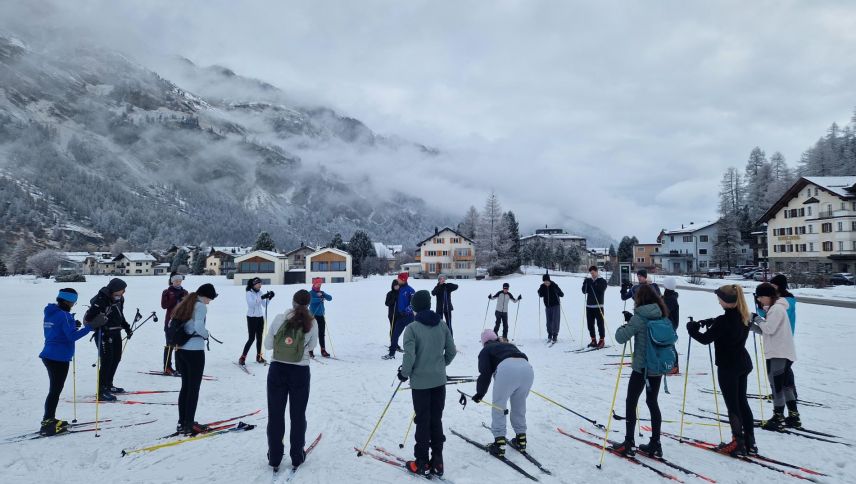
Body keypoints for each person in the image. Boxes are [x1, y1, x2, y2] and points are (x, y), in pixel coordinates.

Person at [687, 284, 756, 457]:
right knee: (742, 402)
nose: (718, 302)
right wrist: (711, 321)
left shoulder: (723, 321)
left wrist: (692, 330)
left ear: (726, 300)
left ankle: (737, 441)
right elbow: (726, 326)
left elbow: (705, 339)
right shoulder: (744, 316)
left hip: (728, 366)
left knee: (733, 404)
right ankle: (750, 441)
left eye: (719, 299)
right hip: (742, 363)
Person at [397, 290, 456, 477]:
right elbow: (452, 351)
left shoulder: (412, 328)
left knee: (423, 421)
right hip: (438, 381)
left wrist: (404, 374)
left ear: (415, 307)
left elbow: (409, 356)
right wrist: (440, 366)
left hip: (421, 383)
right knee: (435, 419)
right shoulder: (442, 325)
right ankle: (437, 461)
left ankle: (421, 462)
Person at [610, 285, 670, 457]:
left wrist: (626, 325)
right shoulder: (661, 313)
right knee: (652, 402)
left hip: (642, 367)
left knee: (631, 402)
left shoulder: (639, 317)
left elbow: (620, 337)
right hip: (657, 366)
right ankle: (655, 443)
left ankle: (629, 442)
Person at [265, 289, 318, 471]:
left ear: (293, 302)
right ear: (308, 304)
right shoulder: (312, 322)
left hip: (277, 369)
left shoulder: (279, 318)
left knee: (275, 414)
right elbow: (312, 346)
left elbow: (268, 345)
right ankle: (297, 456)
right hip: (300, 371)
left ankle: (274, 456)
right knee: (298, 414)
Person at [38, 289, 99, 436]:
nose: (73, 304)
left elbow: (58, 330)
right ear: (68, 301)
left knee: (54, 390)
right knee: (55, 391)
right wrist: (90, 327)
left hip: (50, 354)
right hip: (58, 357)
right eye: (73, 302)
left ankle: (50, 419)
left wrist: (72, 325)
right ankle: (47, 423)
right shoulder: (65, 315)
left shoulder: (52, 312)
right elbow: (71, 337)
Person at [473, 329, 533, 459]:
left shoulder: (486, 350)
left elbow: (485, 374)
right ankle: (521, 439)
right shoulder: (508, 345)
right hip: (527, 369)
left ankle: (499, 444)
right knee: (519, 406)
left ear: (484, 342)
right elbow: (522, 358)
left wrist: (479, 394)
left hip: (507, 370)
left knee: (499, 406)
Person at [752, 283, 799, 431]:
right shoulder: (775, 308)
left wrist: (756, 318)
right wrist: (751, 326)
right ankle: (793, 416)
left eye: (761, 296)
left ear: (769, 296)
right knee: (785, 385)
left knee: (776, 385)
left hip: (778, 353)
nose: (759, 300)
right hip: (782, 352)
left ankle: (778, 417)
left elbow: (769, 329)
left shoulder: (776, 309)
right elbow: (767, 331)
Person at [173, 283, 217, 435]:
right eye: (210, 299)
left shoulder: (186, 302)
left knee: (185, 387)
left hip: (181, 349)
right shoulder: (200, 306)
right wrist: (206, 334)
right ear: (205, 296)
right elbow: (198, 327)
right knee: (193, 388)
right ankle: (189, 423)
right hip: (194, 351)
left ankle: (182, 422)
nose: (209, 302)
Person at [84, 278, 131, 401]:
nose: (124, 292)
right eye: (122, 289)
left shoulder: (120, 299)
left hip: (116, 331)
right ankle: (101, 390)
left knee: (116, 358)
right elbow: (89, 317)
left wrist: (126, 327)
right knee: (106, 360)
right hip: (104, 333)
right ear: (115, 289)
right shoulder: (102, 298)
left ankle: (108, 385)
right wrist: (101, 320)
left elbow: (120, 314)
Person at [240, 277, 274, 365]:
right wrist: (262, 297)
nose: (260, 285)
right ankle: (242, 358)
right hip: (251, 317)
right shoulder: (249, 293)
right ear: (254, 284)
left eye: (260, 283)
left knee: (260, 338)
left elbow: (264, 305)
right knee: (251, 338)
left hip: (260, 317)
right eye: (258, 284)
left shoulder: (260, 292)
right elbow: (251, 304)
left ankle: (259, 357)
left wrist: (269, 298)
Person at [161, 272, 188, 375]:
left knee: (179, 345)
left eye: (180, 281)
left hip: (182, 321)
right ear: (172, 281)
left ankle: (179, 367)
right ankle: (167, 367)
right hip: (170, 321)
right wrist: (174, 298)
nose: (178, 283)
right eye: (176, 281)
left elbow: (188, 306)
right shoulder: (167, 292)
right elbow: (164, 305)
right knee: (170, 344)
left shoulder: (185, 292)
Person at [384, 272, 415, 360]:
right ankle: (391, 354)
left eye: (399, 279)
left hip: (409, 317)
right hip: (400, 317)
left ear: (403, 280)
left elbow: (413, 304)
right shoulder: (398, 289)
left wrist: (406, 311)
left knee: (414, 335)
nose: (397, 280)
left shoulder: (410, 290)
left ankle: (419, 352)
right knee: (395, 335)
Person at [581, 266, 608, 348]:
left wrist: (592, 284)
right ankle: (593, 340)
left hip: (598, 305)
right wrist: (585, 284)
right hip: (589, 306)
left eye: (593, 273)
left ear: (597, 272)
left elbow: (601, 290)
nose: (592, 275)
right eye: (591, 273)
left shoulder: (602, 281)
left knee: (600, 324)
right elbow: (584, 291)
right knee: (590, 324)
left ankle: (602, 340)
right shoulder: (589, 280)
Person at [309, 278, 333, 358]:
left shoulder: (321, 292)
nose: (319, 285)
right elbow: (310, 300)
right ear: (314, 284)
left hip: (321, 316)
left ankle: (323, 350)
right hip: (313, 316)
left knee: (321, 334)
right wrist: (319, 299)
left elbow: (330, 298)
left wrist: (323, 295)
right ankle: (310, 351)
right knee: (313, 334)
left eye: (320, 284)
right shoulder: (310, 293)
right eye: (318, 284)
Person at [537, 274, 564, 343]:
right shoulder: (542, 286)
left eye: (547, 281)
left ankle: (555, 335)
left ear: (549, 280)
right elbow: (541, 295)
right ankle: (550, 334)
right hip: (548, 306)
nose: (546, 282)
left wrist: (557, 291)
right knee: (549, 321)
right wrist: (539, 291)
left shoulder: (554, 285)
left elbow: (562, 294)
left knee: (555, 321)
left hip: (555, 305)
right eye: (544, 281)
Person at [662, 277, 680, 374]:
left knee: (670, 346)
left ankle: (674, 366)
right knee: (666, 345)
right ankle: (667, 364)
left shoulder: (671, 299)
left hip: (670, 325)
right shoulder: (667, 296)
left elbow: (665, 311)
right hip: (666, 324)